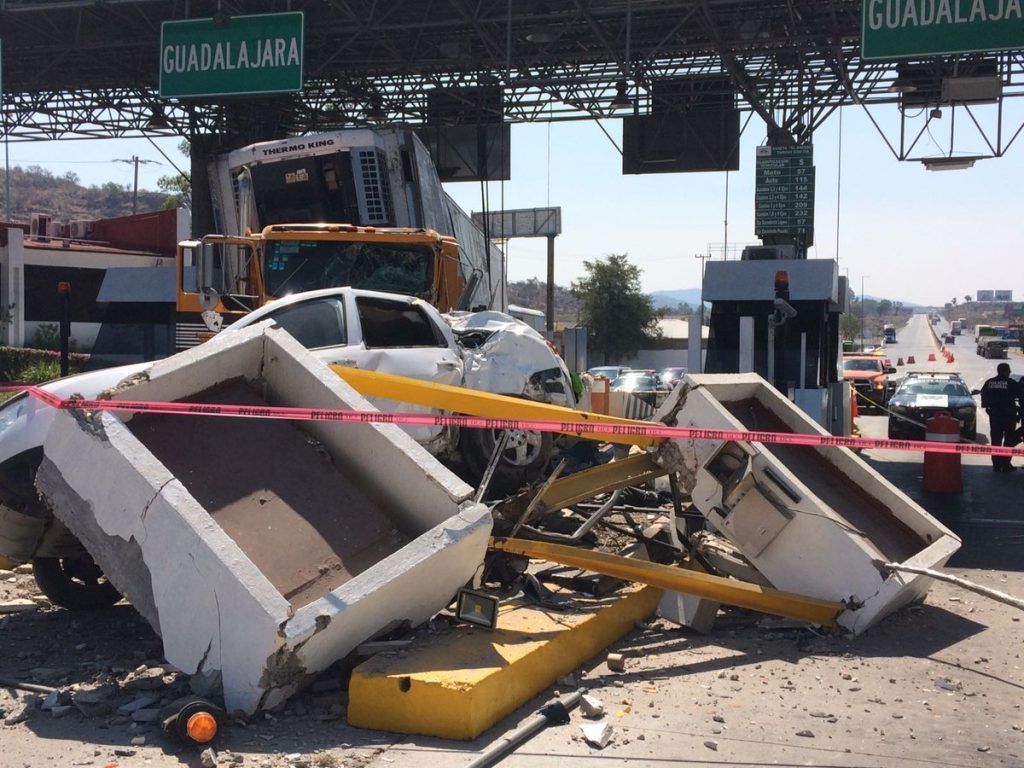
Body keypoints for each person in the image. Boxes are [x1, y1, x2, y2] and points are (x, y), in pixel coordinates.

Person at [979, 363, 1022, 472]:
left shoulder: (990, 382)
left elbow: (984, 395)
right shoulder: (1011, 383)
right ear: (1005, 371)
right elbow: (1020, 395)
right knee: (1008, 441)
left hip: (995, 417)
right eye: (1009, 371)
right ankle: (1006, 464)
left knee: (996, 441)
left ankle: (997, 465)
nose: (1010, 373)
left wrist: (988, 409)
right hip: (1009, 417)